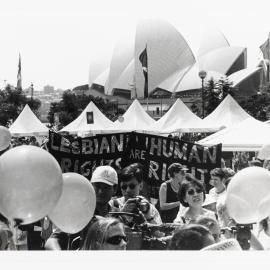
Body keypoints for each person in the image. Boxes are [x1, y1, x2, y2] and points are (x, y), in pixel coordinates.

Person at [45, 165, 120, 250]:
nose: (101, 191)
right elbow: (51, 241)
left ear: (115, 189)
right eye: (97, 186)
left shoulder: (118, 215)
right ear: (91, 185)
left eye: (106, 187)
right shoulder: (80, 213)